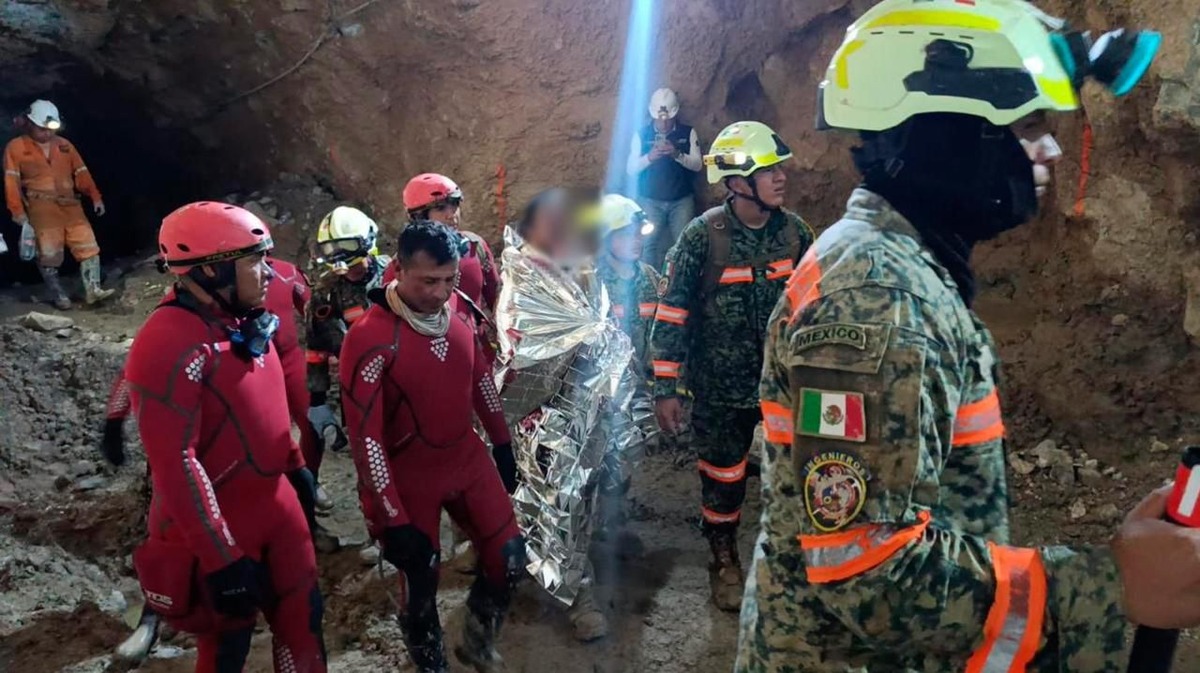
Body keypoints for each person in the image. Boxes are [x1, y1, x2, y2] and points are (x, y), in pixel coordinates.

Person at [736, 2, 1187, 671]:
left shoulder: (903, 267)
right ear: (943, 131)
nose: (1049, 149)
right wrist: (1111, 586)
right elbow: (868, 574)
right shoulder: (877, 290)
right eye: (1027, 124)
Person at [123, 202, 326, 672]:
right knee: (226, 648)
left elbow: (270, 405)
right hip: (218, 523)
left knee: (303, 624)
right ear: (212, 271)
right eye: (254, 261)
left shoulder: (243, 321)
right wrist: (220, 556)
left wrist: (296, 468)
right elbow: (175, 460)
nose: (270, 275)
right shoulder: (170, 341)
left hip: (276, 508)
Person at [340, 220, 523, 673]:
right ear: (398, 269)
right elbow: (367, 439)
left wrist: (502, 445)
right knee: (420, 581)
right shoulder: (369, 338)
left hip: (465, 459)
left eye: (449, 280)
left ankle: (478, 641)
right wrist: (391, 516)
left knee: (509, 558)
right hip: (409, 479)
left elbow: (480, 378)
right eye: (428, 281)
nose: (441, 293)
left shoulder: (456, 312)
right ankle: (431, 666)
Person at [649, 120, 814, 611]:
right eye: (768, 169)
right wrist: (666, 388)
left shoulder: (795, 233)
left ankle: (792, 560)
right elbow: (672, 312)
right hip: (721, 388)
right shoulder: (704, 237)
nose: (781, 177)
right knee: (723, 475)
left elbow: (818, 306)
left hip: (786, 385)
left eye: (780, 167)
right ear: (738, 181)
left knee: (798, 472)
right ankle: (723, 560)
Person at [305, 205, 391, 510]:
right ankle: (381, 533)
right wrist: (317, 404)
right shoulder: (327, 294)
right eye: (332, 249)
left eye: (347, 246)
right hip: (359, 392)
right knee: (369, 465)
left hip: (406, 381)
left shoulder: (396, 274)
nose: (340, 257)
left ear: (367, 241)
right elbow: (316, 347)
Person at [3, 99, 114, 309]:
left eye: (50, 129)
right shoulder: (16, 148)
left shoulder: (64, 145)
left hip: (70, 204)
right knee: (48, 252)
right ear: (29, 124)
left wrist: (95, 196)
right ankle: (59, 295)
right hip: (41, 206)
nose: (46, 134)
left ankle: (93, 290)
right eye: (41, 129)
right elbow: (11, 181)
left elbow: (81, 172)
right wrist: (17, 211)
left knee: (88, 246)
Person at [403, 172, 501, 363]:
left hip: (480, 355)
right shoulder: (401, 267)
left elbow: (495, 295)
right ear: (418, 217)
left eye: (454, 204)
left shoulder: (475, 247)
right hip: (432, 360)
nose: (452, 214)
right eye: (440, 208)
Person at [625, 88, 702, 270]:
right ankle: (649, 287)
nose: (664, 123)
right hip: (650, 200)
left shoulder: (687, 133)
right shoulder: (642, 135)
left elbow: (698, 165)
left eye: (668, 119)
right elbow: (630, 169)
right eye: (660, 119)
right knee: (647, 245)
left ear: (675, 113)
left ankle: (679, 287)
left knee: (684, 245)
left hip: (681, 200)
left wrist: (677, 154)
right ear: (653, 115)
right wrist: (650, 157)